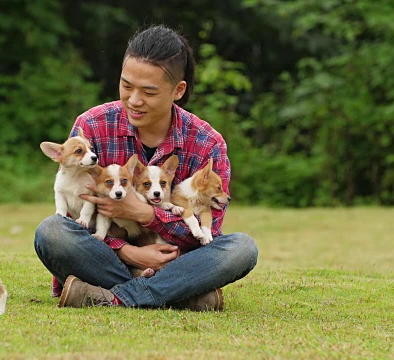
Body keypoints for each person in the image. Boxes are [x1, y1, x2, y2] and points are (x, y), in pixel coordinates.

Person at [34, 24, 258, 311]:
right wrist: (130, 253)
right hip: (108, 253)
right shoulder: (92, 126)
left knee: (241, 249)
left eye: (148, 92)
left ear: (178, 90)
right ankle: (178, 294)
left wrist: (147, 215)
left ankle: (115, 297)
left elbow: (208, 229)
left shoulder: (207, 143)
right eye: (126, 86)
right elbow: (80, 213)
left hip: (174, 259)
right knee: (52, 231)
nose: (134, 100)